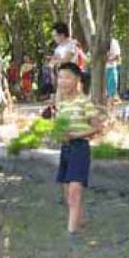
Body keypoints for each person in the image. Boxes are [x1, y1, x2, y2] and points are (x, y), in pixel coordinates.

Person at [54, 62, 104, 238]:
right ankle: (81, 222)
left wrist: (76, 135)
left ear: (77, 79)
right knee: (68, 193)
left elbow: (98, 127)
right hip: (65, 149)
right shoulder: (61, 104)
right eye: (60, 77)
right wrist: (58, 134)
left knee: (74, 192)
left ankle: (71, 235)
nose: (63, 81)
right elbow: (60, 129)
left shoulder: (84, 102)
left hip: (80, 148)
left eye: (67, 77)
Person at [106, 37, 121, 103]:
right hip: (101, 70)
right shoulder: (97, 40)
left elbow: (118, 57)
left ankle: (111, 107)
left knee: (111, 93)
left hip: (110, 68)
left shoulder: (113, 42)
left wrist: (107, 60)